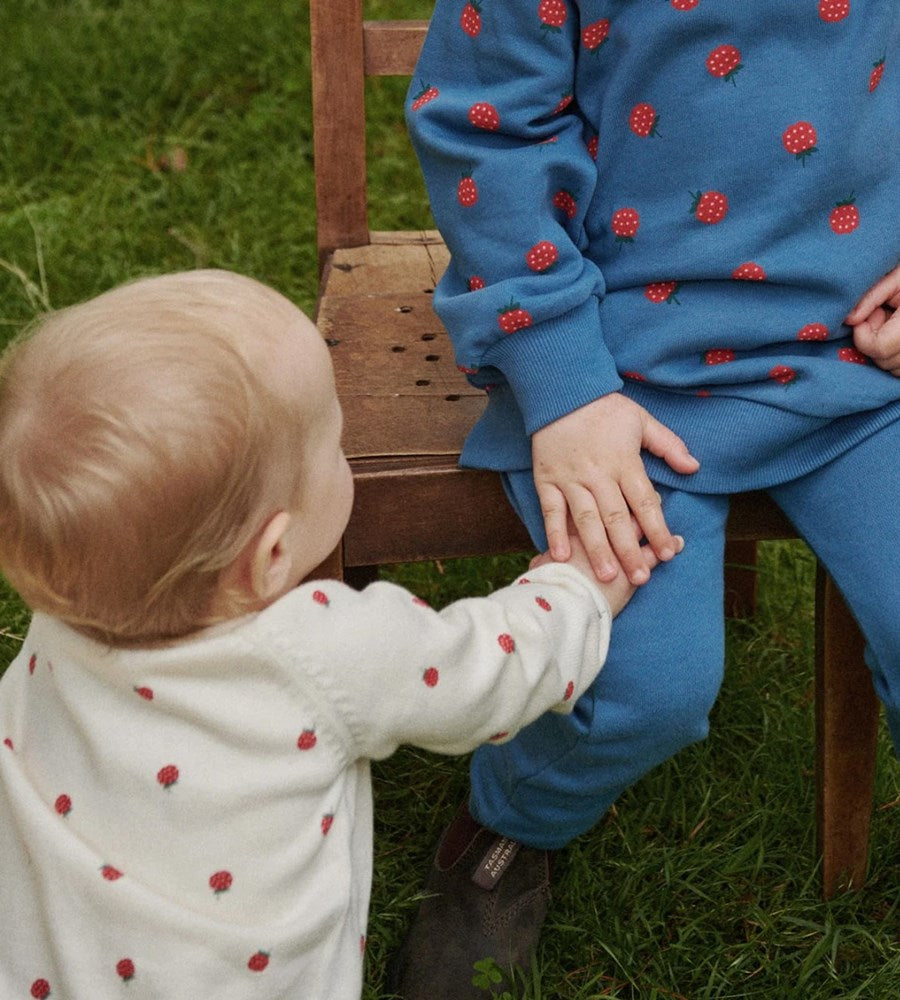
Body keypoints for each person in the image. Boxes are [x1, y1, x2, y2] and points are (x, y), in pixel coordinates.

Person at [393, 2, 900, 996]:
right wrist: (564, 381)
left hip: (860, 353)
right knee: (638, 686)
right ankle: (509, 824)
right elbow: (481, 126)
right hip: (618, 368)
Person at [0, 269, 669, 999]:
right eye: (334, 440)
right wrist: (581, 594)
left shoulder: (69, 611)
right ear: (273, 555)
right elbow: (492, 672)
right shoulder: (318, 652)